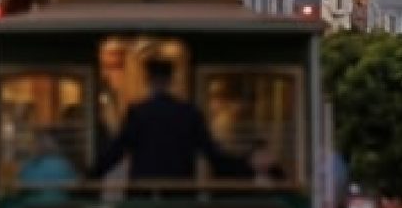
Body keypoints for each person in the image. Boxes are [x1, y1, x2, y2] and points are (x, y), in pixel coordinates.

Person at [91, 58, 269, 185]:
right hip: (181, 198)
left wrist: (91, 175)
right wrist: (248, 168)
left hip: (143, 196)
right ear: (170, 81)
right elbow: (214, 156)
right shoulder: (189, 113)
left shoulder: (138, 113)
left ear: (148, 81)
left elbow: (116, 150)